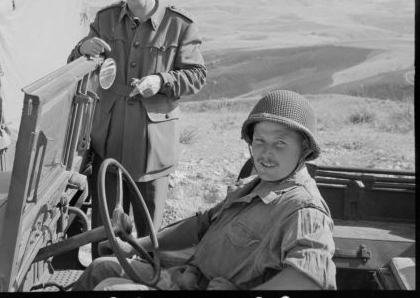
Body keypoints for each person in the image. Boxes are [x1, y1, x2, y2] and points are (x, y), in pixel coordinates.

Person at [72, 90, 337, 291]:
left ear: (304, 150)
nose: (266, 154)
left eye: (280, 143)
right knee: (101, 267)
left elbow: (309, 279)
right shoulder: (256, 185)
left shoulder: (303, 208)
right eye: (260, 141)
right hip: (185, 278)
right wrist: (139, 245)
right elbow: (201, 224)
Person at [68, 0, 206, 254]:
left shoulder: (179, 25)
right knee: (105, 235)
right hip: (109, 144)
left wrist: (162, 80)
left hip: (151, 149)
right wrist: (81, 50)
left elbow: (197, 76)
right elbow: (76, 61)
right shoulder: (105, 21)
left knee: (148, 239)